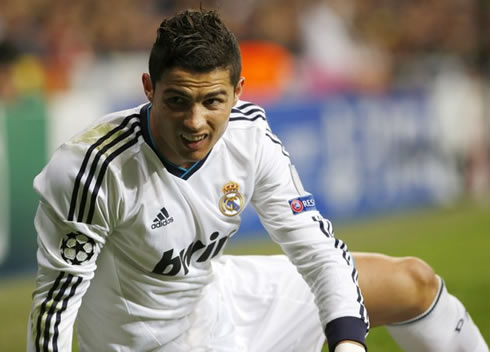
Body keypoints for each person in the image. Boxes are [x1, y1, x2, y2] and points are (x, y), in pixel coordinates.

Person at [27, 8, 487, 352]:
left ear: (238, 91)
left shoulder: (249, 136)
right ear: (149, 88)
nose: (195, 121)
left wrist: (348, 344)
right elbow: (54, 311)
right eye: (178, 100)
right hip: (144, 344)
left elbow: (316, 248)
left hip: (219, 301)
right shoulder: (92, 170)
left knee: (412, 282)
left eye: (213, 101)